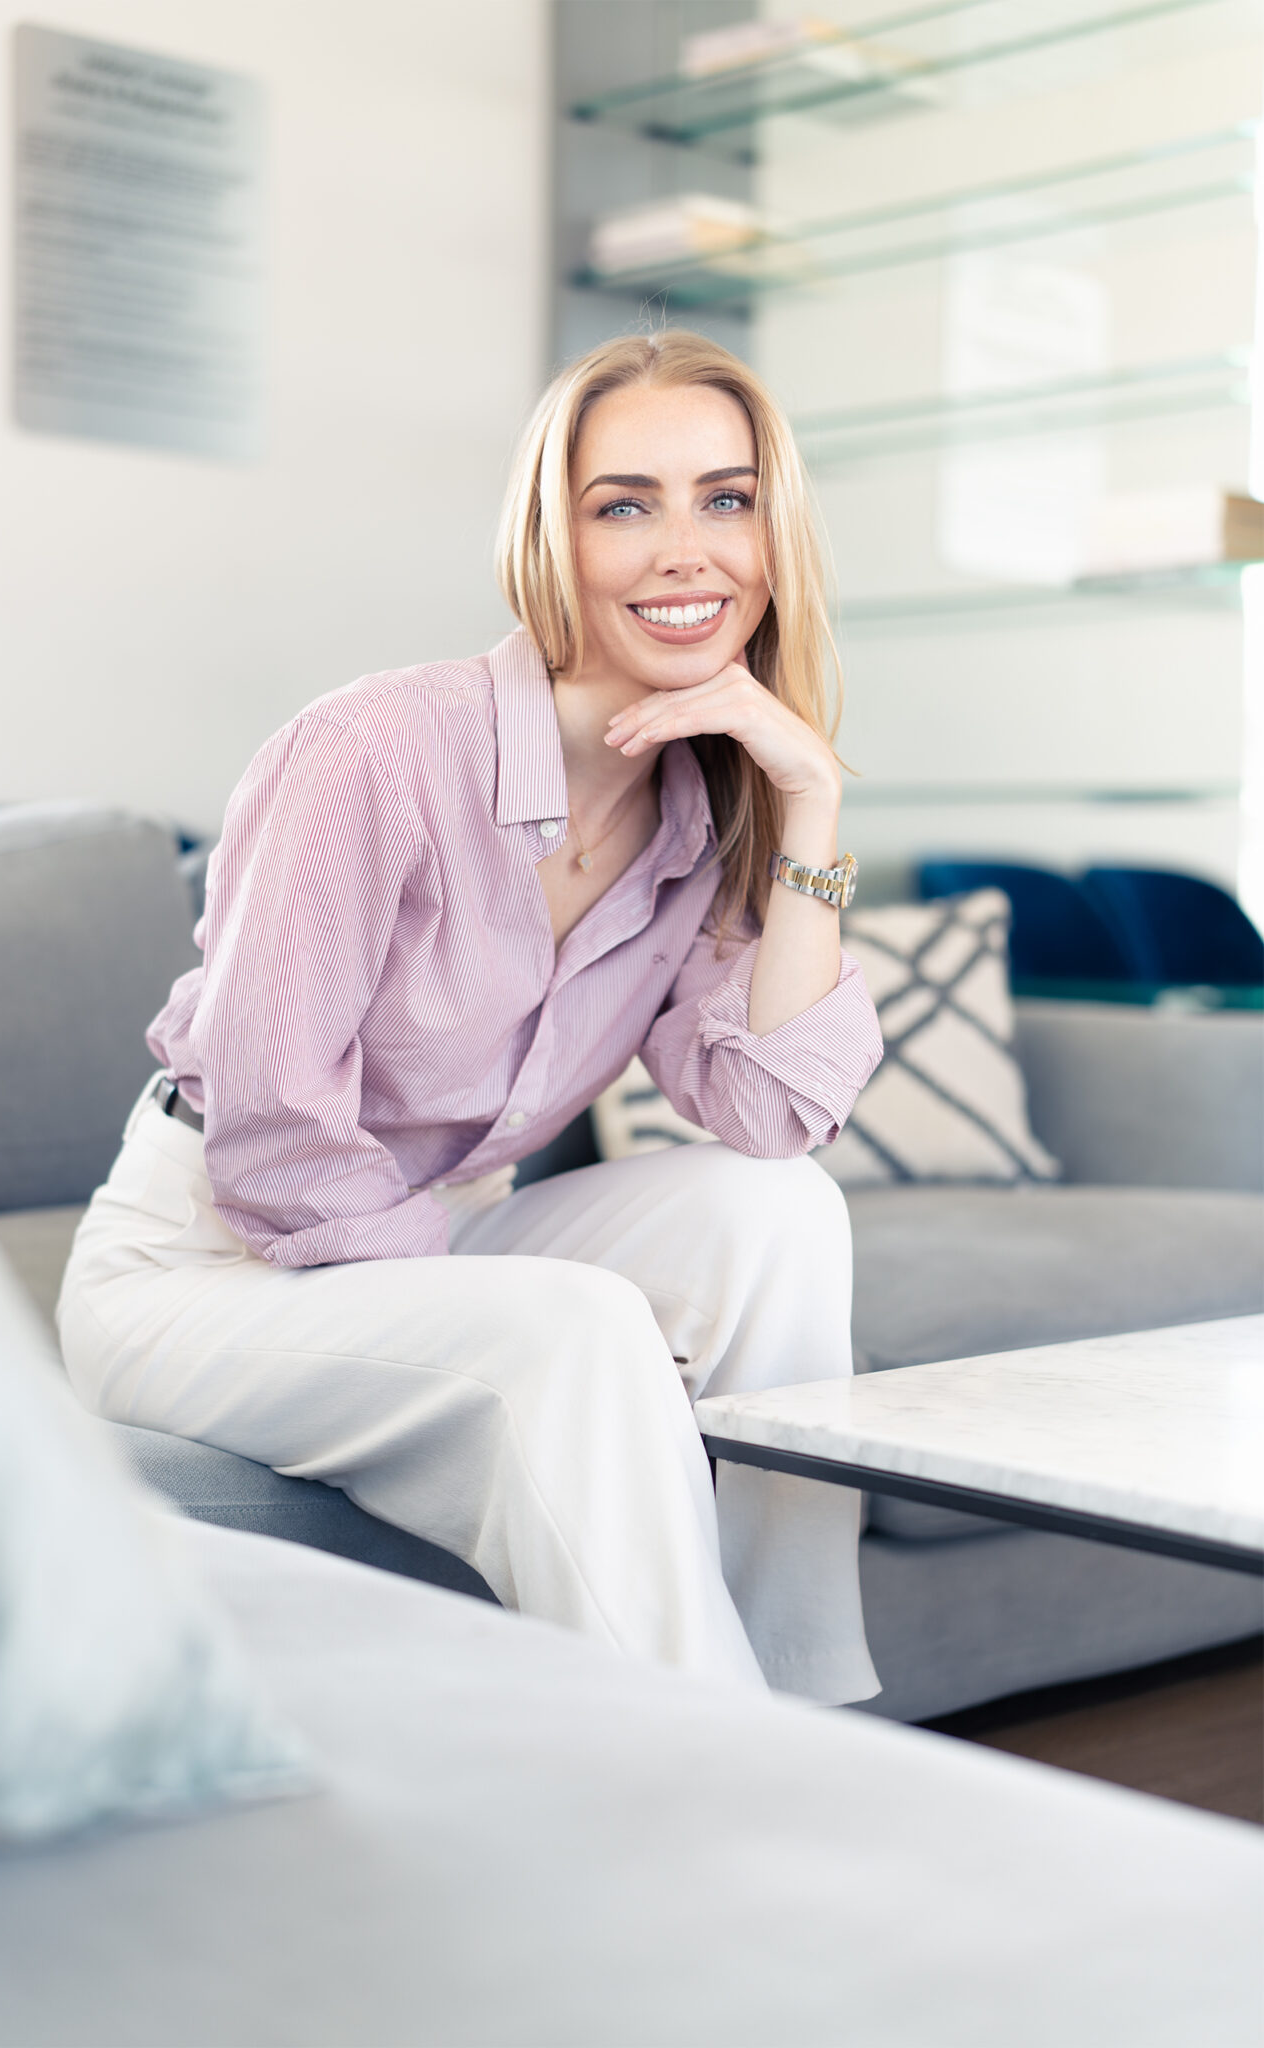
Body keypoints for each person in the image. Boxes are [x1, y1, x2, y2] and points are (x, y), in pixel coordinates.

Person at [58, 330, 884, 1700]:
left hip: (424, 1232)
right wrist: (500, 1303)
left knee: (779, 1212)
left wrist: (810, 804)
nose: (687, 550)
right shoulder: (370, 752)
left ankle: (810, 1704)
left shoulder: (705, 800)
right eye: (625, 504)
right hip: (202, 1274)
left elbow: (767, 1113)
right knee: (572, 1330)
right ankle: (704, 1771)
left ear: (772, 532)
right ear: (551, 538)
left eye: (725, 499)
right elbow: (271, 1134)